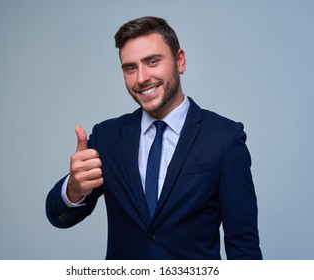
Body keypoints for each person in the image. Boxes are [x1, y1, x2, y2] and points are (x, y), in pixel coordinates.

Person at [46, 16, 262, 260]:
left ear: (179, 61)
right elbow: (58, 216)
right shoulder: (107, 138)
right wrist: (73, 190)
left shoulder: (224, 138)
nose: (141, 78)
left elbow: (244, 247)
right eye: (130, 68)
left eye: (152, 62)